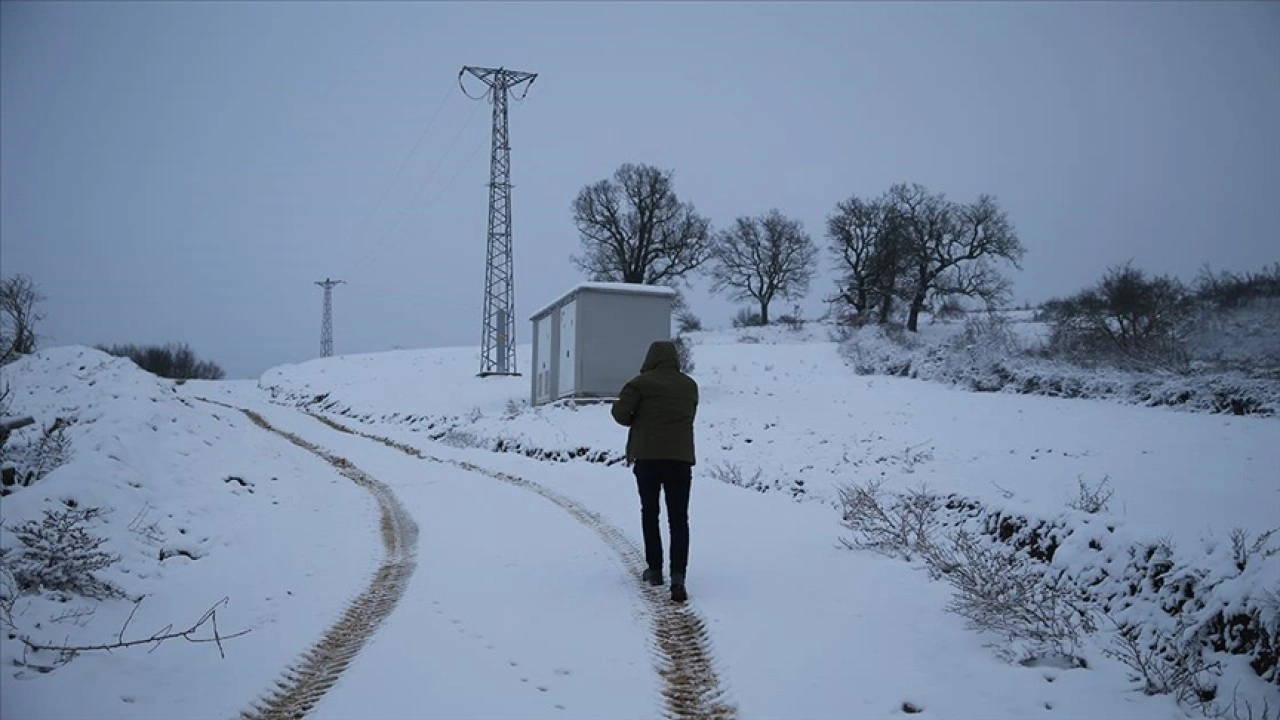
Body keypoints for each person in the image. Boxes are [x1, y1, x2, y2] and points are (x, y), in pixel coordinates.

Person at [610, 339, 698, 602]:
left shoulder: (640, 384)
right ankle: (679, 575)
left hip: (648, 458)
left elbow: (621, 415)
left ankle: (656, 570)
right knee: (679, 518)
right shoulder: (689, 385)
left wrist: (640, 416)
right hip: (680, 459)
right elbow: (689, 414)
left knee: (650, 513)